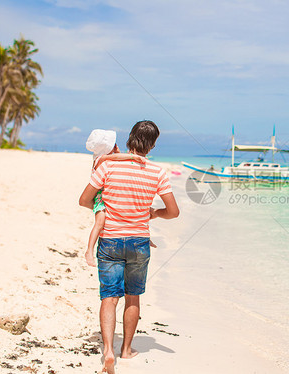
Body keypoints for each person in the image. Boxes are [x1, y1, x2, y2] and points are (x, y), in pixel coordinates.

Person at [79, 121, 179, 374]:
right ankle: (126, 350)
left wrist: (107, 211)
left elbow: (84, 200)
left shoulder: (108, 166)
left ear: (129, 140)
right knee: (132, 296)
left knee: (109, 297)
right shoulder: (158, 172)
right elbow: (174, 212)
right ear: (153, 145)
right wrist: (153, 214)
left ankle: (109, 351)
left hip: (110, 240)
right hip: (139, 242)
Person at [84, 129, 149, 267]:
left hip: (107, 196)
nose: (117, 147)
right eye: (114, 145)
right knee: (100, 223)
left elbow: (117, 159)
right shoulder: (101, 159)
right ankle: (89, 251)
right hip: (100, 198)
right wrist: (134, 157)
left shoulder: (103, 158)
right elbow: (116, 159)